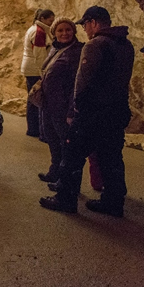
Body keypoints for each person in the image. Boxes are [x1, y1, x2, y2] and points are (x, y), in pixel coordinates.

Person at [39, 6, 134, 217]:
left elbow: (81, 84)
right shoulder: (126, 45)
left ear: (93, 22)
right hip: (116, 110)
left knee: (72, 156)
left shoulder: (95, 45)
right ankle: (113, 201)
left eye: (85, 25)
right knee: (111, 157)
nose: (85, 30)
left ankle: (65, 199)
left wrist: (74, 112)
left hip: (92, 112)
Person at [36, 18, 84, 184]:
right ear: (54, 34)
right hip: (49, 104)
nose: (64, 33)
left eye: (68, 30)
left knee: (65, 144)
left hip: (63, 106)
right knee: (52, 139)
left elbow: (77, 85)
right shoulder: (55, 49)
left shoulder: (77, 51)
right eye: (60, 31)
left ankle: (64, 181)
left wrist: (72, 110)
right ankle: (55, 170)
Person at [21, 8, 55, 138]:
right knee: (36, 98)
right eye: (50, 21)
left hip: (30, 67)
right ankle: (34, 129)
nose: (51, 24)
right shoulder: (39, 32)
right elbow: (40, 56)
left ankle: (33, 128)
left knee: (33, 98)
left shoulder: (34, 29)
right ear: (42, 19)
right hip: (34, 69)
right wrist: (44, 72)